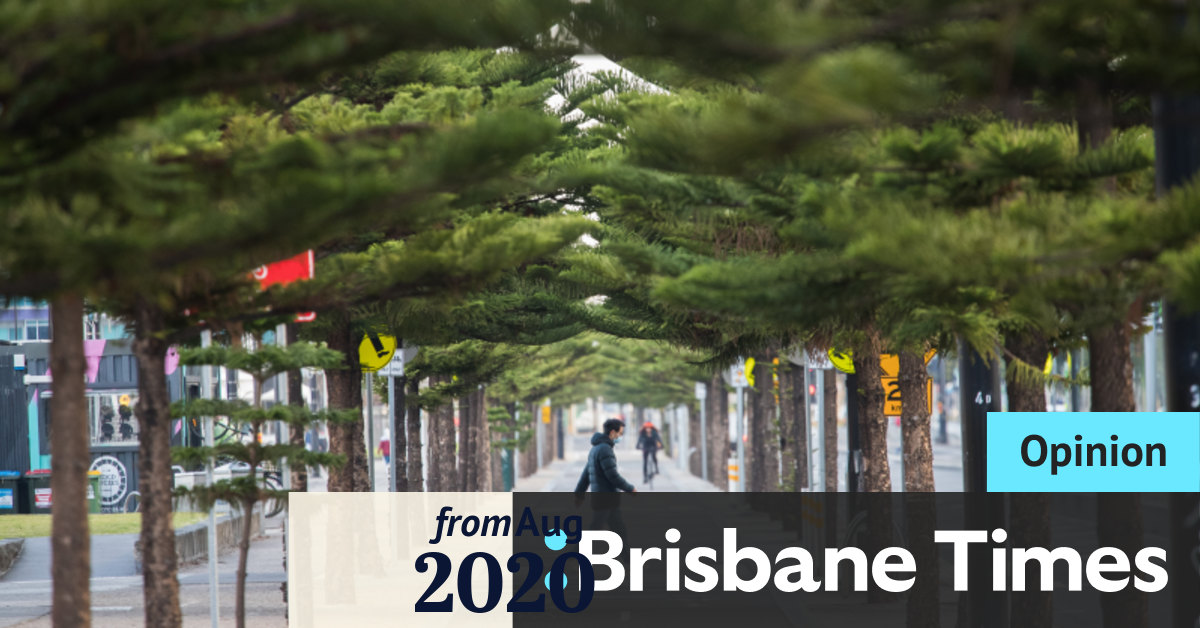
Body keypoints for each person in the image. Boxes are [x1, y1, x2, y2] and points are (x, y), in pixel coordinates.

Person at [575, 419, 635, 538]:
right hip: (606, 499)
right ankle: (573, 555)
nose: (620, 436)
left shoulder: (596, 449)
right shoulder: (605, 450)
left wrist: (579, 494)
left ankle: (628, 557)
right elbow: (612, 475)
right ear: (613, 432)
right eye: (620, 433)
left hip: (604, 499)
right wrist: (629, 488)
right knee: (595, 532)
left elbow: (586, 474)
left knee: (619, 532)